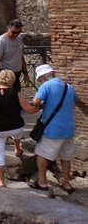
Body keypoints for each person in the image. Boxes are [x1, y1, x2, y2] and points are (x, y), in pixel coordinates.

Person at [0, 70, 38, 187]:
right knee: (17, 134)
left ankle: (1, 181)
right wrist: (40, 106)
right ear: (12, 80)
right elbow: (29, 109)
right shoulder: (16, 93)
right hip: (15, 126)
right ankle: (17, 149)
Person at [29, 64, 77, 193]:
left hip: (52, 129)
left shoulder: (46, 86)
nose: (39, 82)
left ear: (44, 77)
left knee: (42, 155)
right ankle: (67, 184)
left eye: (39, 80)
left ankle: (42, 182)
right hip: (68, 129)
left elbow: (36, 102)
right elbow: (74, 101)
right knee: (66, 158)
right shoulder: (69, 87)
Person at [0, 19, 30, 92]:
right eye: (13, 32)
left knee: (16, 98)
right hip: (5, 76)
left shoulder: (19, 39)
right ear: (8, 28)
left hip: (16, 75)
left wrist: (25, 73)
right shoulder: (0, 41)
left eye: (18, 33)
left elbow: (20, 57)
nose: (15, 35)